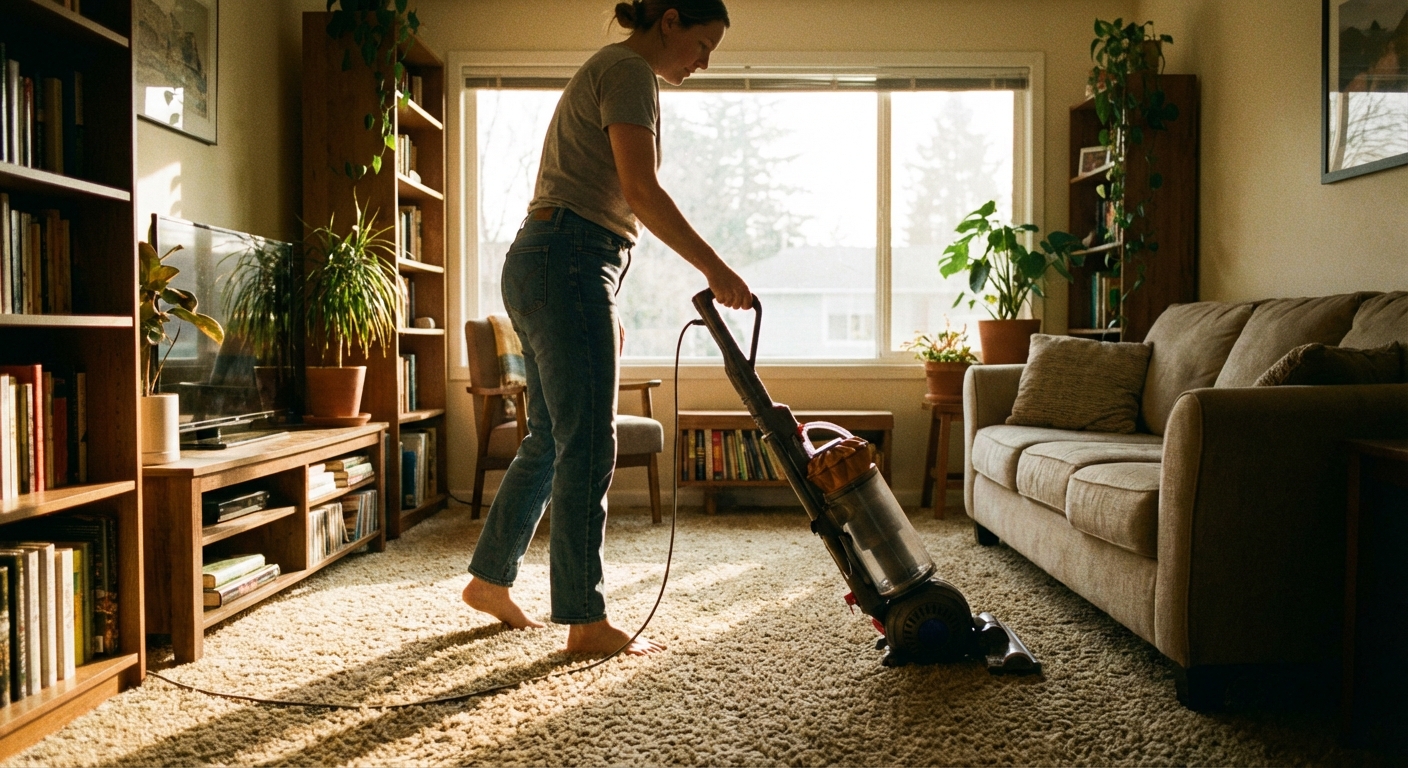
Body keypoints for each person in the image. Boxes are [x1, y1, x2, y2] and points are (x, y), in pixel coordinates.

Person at [462, 0, 751, 656]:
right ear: (670, 20)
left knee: (550, 440)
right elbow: (639, 190)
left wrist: (605, 304)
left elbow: (607, 199)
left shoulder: (617, 70)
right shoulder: (629, 72)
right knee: (589, 443)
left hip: (548, 261)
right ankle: (586, 620)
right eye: (701, 45)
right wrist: (717, 269)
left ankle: (488, 578)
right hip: (568, 261)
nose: (703, 63)